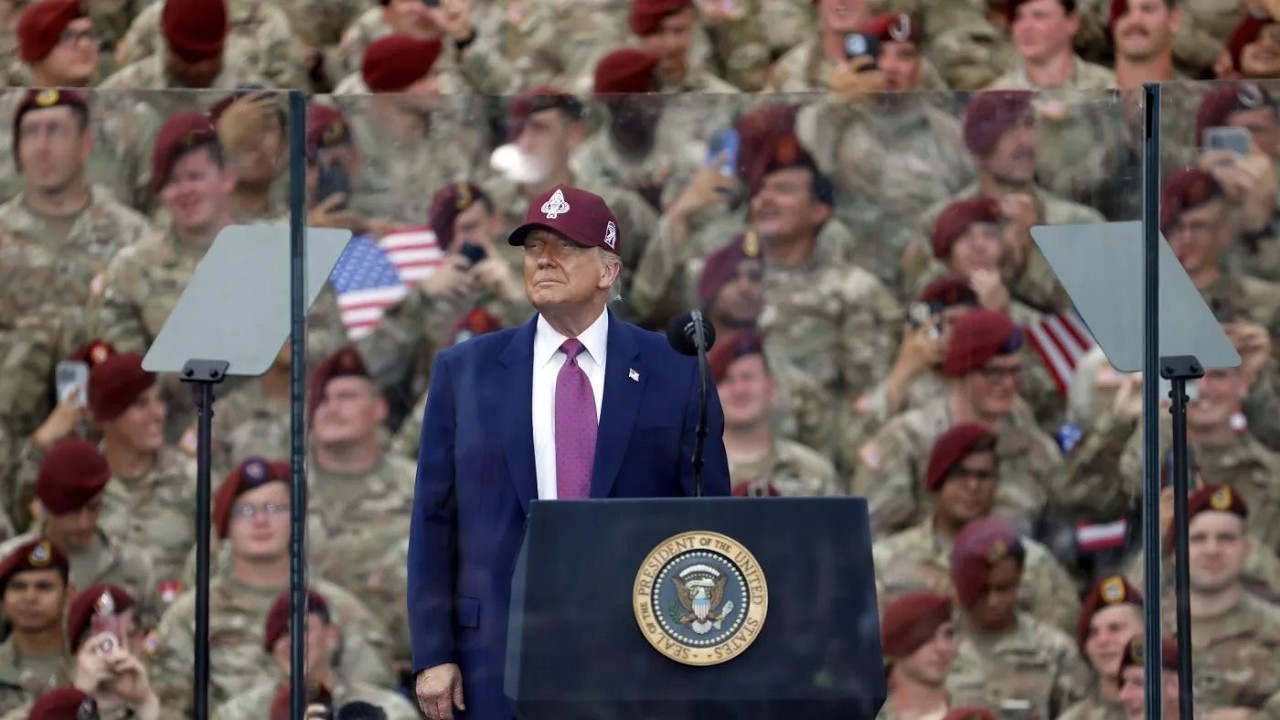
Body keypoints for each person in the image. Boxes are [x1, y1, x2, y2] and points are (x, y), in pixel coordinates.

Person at [408, 184, 730, 719]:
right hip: (495, 654)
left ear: (608, 271)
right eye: (534, 247)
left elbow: (709, 519)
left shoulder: (674, 369)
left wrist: (704, 646)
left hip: (639, 655)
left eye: (566, 247)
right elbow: (432, 520)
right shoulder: (465, 371)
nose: (544, 260)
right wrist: (434, 653)